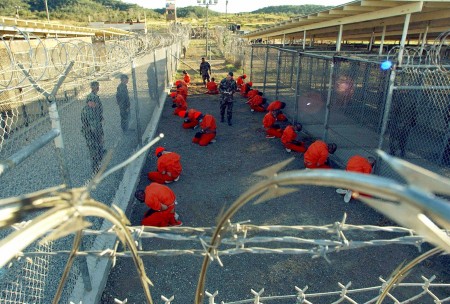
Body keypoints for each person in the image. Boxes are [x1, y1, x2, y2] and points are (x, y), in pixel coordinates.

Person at [81, 81, 106, 173]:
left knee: (98, 149)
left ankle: (98, 163)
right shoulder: (89, 111)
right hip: (91, 134)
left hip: (95, 131)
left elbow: (98, 114)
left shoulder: (93, 108)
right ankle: (95, 169)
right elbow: (93, 127)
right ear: (89, 102)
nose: (96, 104)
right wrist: (100, 137)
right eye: (93, 103)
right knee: (94, 151)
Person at [388, 91, 417, 158]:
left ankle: (393, 151)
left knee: (394, 136)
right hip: (407, 121)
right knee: (404, 137)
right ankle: (402, 151)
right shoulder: (413, 97)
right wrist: (413, 120)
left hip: (398, 120)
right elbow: (414, 110)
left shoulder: (399, 97)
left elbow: (395, 109)